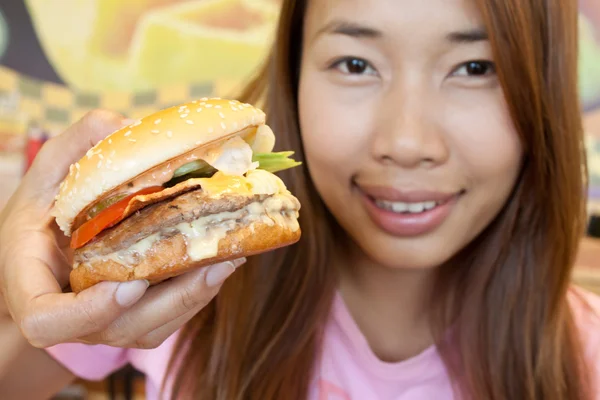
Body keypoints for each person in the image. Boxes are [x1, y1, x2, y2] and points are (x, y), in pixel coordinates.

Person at [1, 0, 599, 398]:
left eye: (475, 66)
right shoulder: (182, 299)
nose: (407, 143)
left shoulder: (587, 354)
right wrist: (23, 289)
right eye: (355, 62)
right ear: (293, 80)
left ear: (542, 94)